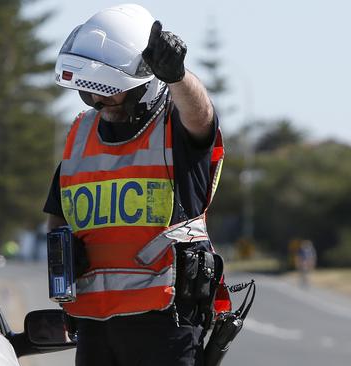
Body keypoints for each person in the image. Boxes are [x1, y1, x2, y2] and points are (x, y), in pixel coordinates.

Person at [43, 4, 225, 366]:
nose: (98, 99)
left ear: (144, 82)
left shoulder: (175, 128)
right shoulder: (80, 135)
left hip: (165, 323)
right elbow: (58, 215)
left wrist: (178, 77)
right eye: (90, 91)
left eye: (110, 90)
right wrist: (61, 254)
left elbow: (201, 116)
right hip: (95, 323)